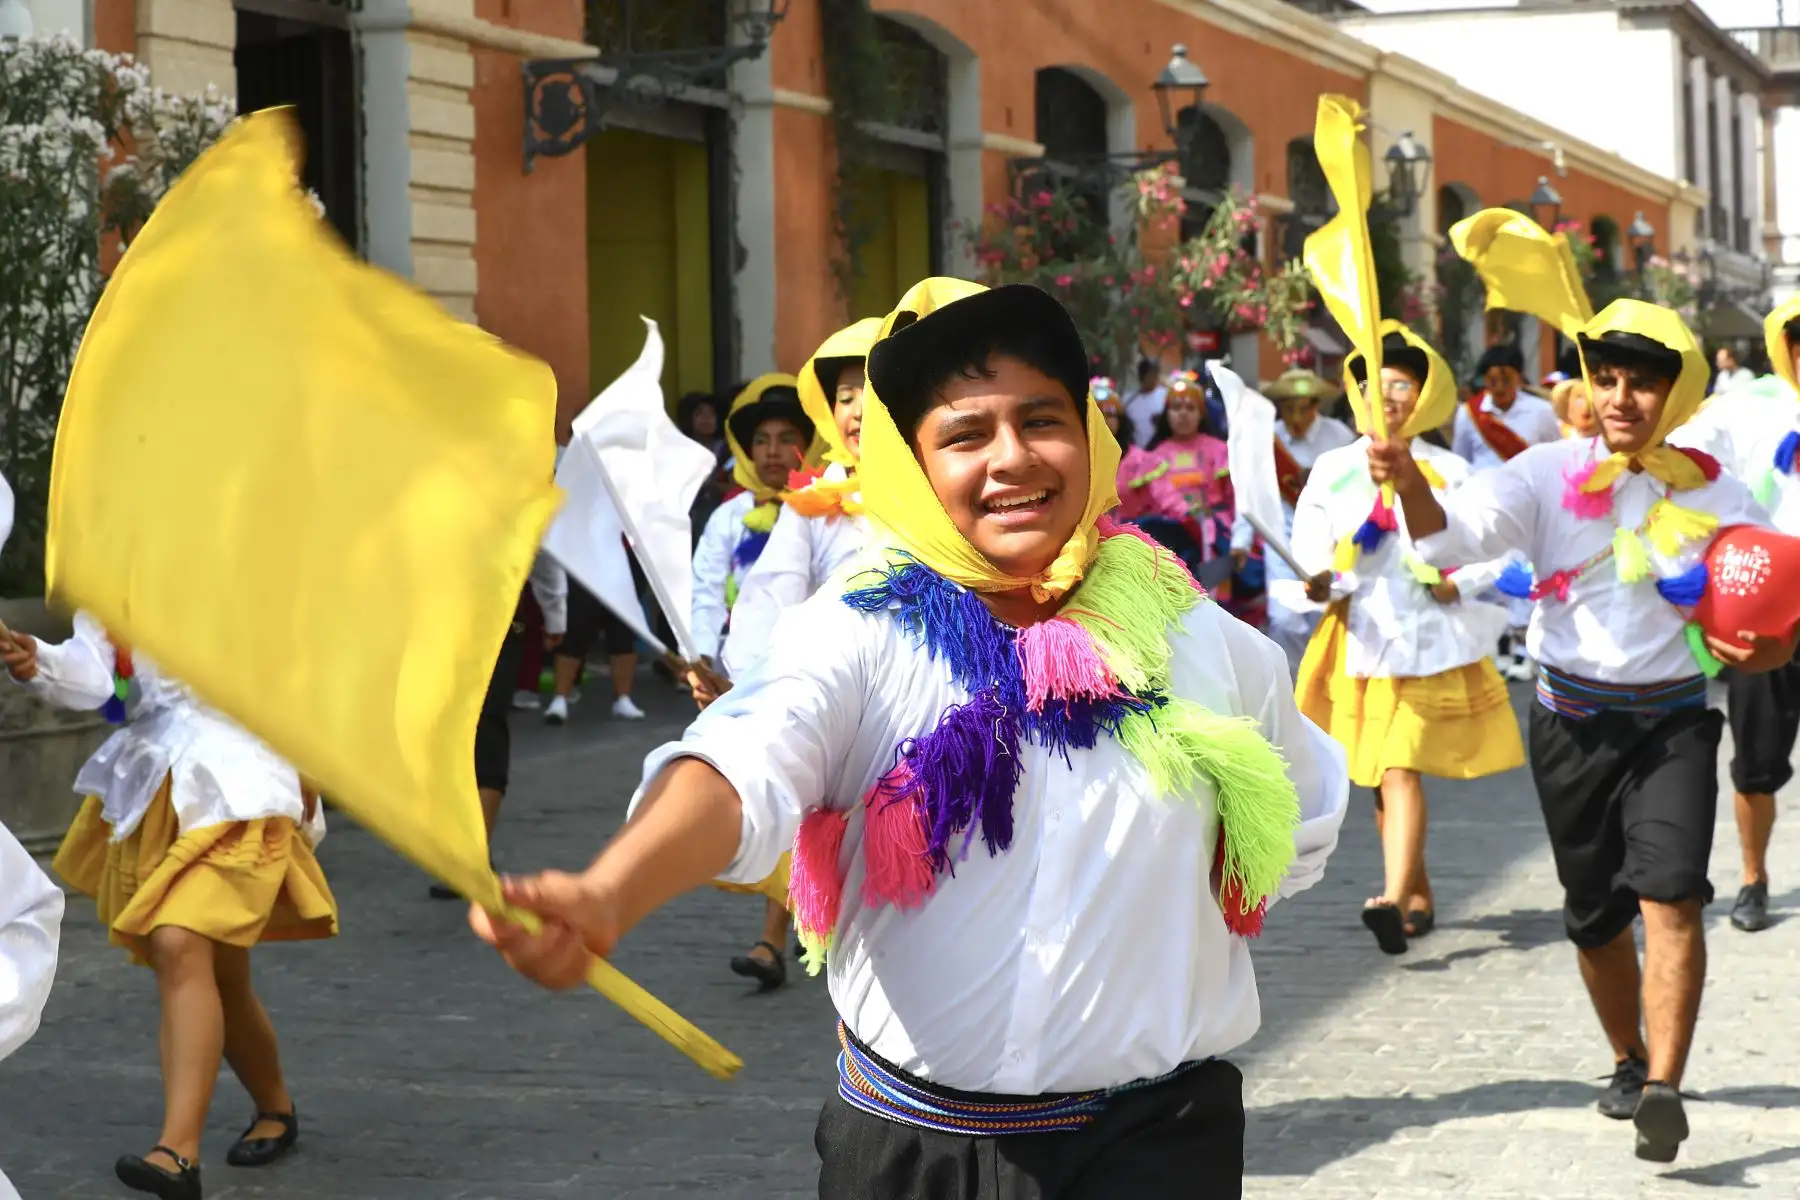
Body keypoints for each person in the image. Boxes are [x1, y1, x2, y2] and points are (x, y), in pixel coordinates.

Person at [470, 278, 1348, 1200]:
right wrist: (613, 888)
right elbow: (745, 756)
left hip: (1156, 1149)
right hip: (909, 1153)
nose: (1012, 459)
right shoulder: (857, 630)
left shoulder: (1209, 645)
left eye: (1041, 420)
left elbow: (1296, 829)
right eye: (966, 436)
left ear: (1090, 439)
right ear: (915, 469)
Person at [1372, 299, 1791, 1163]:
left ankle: (1666, 1089)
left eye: (1643, 382)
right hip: (1568, 724)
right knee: (1594, 915)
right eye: (1607, 378)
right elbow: (1451, 539)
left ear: (1676, 394)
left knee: (1672, 896)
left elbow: (1766, 611)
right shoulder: (1542, 471)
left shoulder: (1718, 488)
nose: (1622, 397)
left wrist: (1747, 640)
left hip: (1674, 721)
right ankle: (1630, 1060)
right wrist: (1408, 476)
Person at [4, 615, 337, 1198]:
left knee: (179, 941)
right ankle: (275, 1105)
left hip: (249, 782)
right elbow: (101, 678)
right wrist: (42, 661)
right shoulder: (119, 574)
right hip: (164, 782)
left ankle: (177, 1152)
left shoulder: (256, 552)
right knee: (218, 974)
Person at [1291, 328, 1523, 953]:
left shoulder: (1450, 470)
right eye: (1371, 384)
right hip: (1357, 638)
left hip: (1427, 642)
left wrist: (1459, 581)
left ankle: (1391, 899)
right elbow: (1308, 549)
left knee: (1398, 767)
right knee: (1376, 773)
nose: (1385, 395)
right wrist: (1319, 583)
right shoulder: (1335, 470)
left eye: (1400, 384)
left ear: (1426, 395)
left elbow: (1490, 550)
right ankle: (1417, 894)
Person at [713, 318, 881, 990]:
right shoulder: (811, 504)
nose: (856, 409)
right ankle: (774, 939)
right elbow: (769, 597)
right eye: (842, 395)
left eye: (869, 389)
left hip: (931, 707)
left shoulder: (940, 486)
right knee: (808, 820)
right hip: (835, 697)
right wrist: (744, 681)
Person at [1669, 296, 1800, 933]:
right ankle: (1753, 876)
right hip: (1765, 602)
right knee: (1756, 757)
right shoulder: (1748, 406)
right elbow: (1680, 448)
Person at [1451, 343, 1562, 681]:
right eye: (1491, 380)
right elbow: (1461, 457)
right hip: (1481, 503)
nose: (1498, 387)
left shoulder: (1540, 412)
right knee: (1485, 575)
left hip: (1525, 504)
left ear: (1518, 378)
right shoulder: (1469, 414)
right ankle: (1495, 647)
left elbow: (1552, 455)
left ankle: (1523, 650)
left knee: (1519, 571)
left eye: (1505, 378)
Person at [688, 377, 814, 674]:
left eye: (786, 439)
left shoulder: (826, 512)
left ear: (809, 445)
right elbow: (707, 587)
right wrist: (702, 656)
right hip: (740, 670)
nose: (772, 451)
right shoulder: (730, 516)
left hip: (811, 668)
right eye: (760, 440)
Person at [1252, 368, 1358, 671]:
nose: (1296, 417)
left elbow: (1356, 477)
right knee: (1283, 619)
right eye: (1288, 409)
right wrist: (1241, 539)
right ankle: (1292, 686)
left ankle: (1324, 677)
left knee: (1324, 611)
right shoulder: (1270, 441)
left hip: (1330, 536)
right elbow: (1254, 490)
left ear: (1316, 406)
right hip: (1281, 536)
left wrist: (1320, 477)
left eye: (1303, 408)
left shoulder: (1338, 435)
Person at [1095, 377, 1205, 569]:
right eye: (1096, 412)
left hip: (1133, 551)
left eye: (1110, 413)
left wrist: (1192, 517)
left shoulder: (1141, 462)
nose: (1104, 419)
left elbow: (1165, 496)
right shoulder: (1074, 461)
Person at [1122, 355, 1167, 448]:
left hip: (1162, 451)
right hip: (1139, 452)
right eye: (1150, 374)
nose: (1154, 378)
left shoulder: (1165, 396)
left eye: (1156, 373)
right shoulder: (1130, 402)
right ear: (1142, 376)